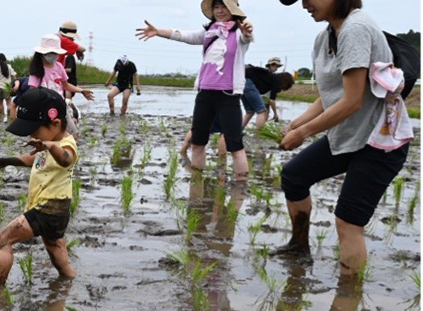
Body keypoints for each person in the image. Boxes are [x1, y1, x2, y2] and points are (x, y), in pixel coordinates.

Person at [276, 0, 412, 276]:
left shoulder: (356, 29)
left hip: (379, 141)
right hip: (350, 134)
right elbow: (332, 95)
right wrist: (297, 122)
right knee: (294, 176)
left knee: (348, 221)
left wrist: (304, 132)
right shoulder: (326, 36)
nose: (304, 4)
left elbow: (352, 101)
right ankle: (299, 246)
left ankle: (348, 299)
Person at [136, 0, 254, 178]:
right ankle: (197, 187)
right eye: (216, 7)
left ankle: (241, 188)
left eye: (224, 7)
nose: (220, 11)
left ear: (233, 10)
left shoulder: (238, 33)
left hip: (228, 95)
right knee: (198, 142)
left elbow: (247, 37)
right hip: (205, 93)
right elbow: (184, 35)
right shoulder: (209, 32)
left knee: (234, 144)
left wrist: (247, 32)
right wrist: (158, 32)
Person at [0, 88, 78, 284]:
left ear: (55, 123)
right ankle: (68, 284)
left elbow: (66, 160)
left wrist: (50, 146)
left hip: (48, 208)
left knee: (3, 238)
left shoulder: (66, 144)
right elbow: (32, 161)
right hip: (56, 211)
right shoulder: (47, 142)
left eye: (34, 129)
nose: (30, 134)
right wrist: (7, 161)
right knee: (56, 253)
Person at [28, 34, 94, 137]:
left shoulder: (58, 66)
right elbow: (32, 92)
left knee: (74, 134)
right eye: (50, 52)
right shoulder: (37, 69)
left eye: (55, 53)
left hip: (60, 107)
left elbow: (66, 85)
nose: (53, 55)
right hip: (45, 110)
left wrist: (81, 91)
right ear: (42, 53)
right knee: (49, 138)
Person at [242, 63, 295, 130]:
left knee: (250, 111)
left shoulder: (271, 77)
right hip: (247, 81)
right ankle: (260, 134)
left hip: (240, 81)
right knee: (261, 111)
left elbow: (267, 100)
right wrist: (275, 114)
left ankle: (238, 131)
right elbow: (272, 101)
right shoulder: (276, 81)